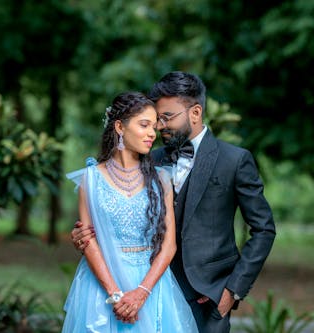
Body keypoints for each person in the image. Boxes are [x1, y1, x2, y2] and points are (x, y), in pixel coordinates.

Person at [72, 72, 276, 333]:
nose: (160, 127)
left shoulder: (234, 160)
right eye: (157, 119)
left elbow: (264, 229)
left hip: (208, 297)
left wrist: (231, 291)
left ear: (195, 113)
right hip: (154, 291)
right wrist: (83, 234)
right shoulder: (149, 160)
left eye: (167, 118)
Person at [62, 91, 198, 332]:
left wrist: (141, 293)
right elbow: (88, 241)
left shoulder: (161, 179)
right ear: (119, 127)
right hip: (101, 286)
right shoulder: (90, 180)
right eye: (144, 125)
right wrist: (115, 295)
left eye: (154, 127)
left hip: (151, 285)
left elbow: (169, 245)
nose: (151, 134)